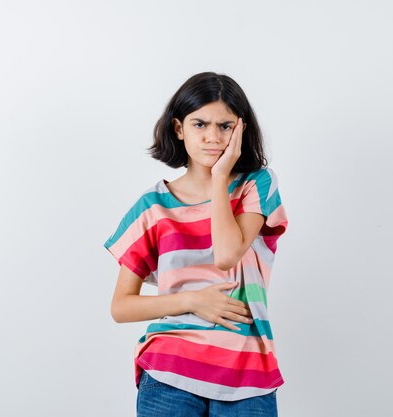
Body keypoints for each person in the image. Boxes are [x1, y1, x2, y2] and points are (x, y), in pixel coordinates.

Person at [103, 71, 288, 417]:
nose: (212, 137)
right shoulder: (153, 206)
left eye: (225, 126)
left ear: (241, 129)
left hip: (247, 372)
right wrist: (192, 301)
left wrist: (219, 179)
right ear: (179, 129)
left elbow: (227, 254)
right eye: (200, 124)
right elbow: (121, 307)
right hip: (169, 372)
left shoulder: (256, 185)